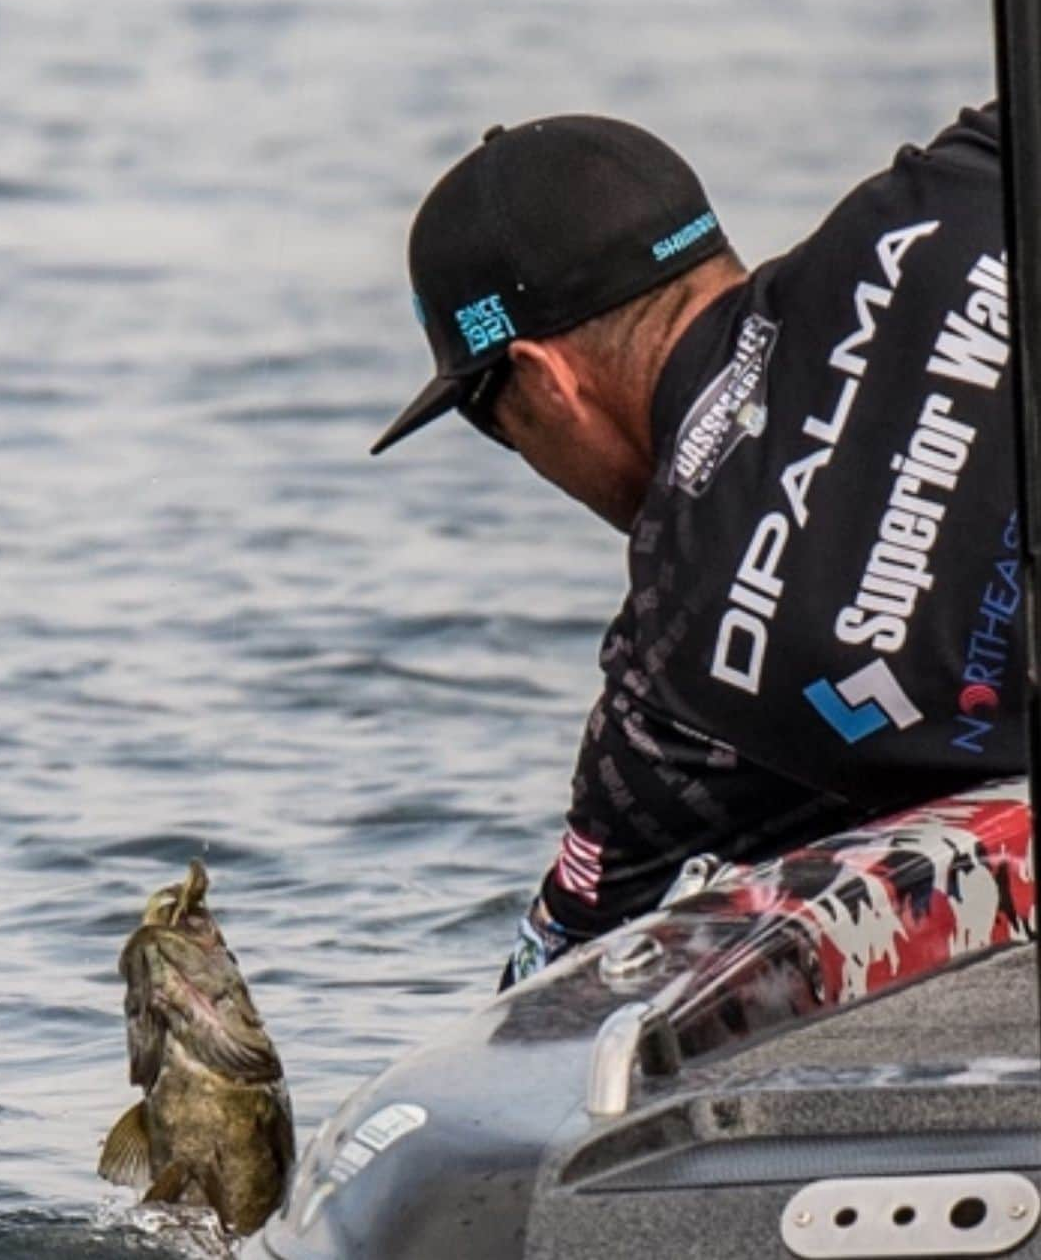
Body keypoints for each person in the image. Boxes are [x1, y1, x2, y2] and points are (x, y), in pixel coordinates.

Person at [371, 106, 1023, 985]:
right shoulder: (954, 185)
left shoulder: (672, 691)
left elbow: (548, 999)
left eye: (494, 422)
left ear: (547, 380)